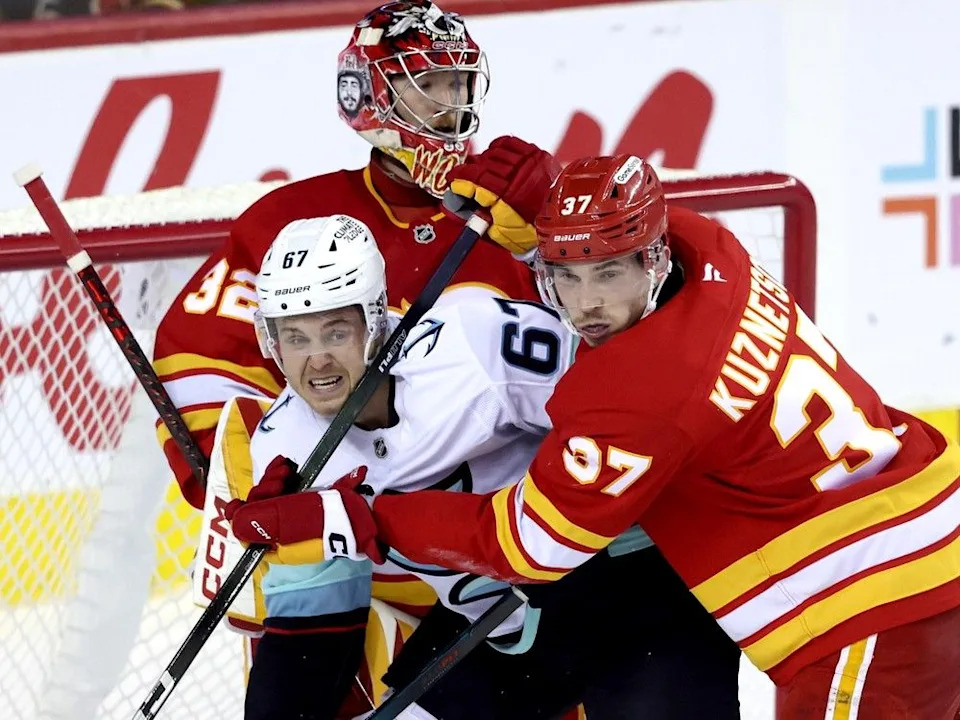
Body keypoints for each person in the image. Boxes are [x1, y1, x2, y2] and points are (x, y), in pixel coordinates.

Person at [291, 151, 960, 719]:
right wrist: (543, 227)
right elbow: (597, 244)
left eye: (608, 273)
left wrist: (364, 516)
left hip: (876, 612)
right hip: (935, 534)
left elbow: (527, 545)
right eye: (566, 276)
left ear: (652, 257)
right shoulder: (710, 247)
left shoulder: (640, 395)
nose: (585, 306)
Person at [218, 213, 742, 719]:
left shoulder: (476, 343)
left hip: (633, 593)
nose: (317, 361)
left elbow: (632, 411)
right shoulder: (285, 446)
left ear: (375, 320)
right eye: (295, 337)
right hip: (506, 631)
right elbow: (314, 631)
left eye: (336, 333)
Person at [152, 0, 543, 511]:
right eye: (427, 85)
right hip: (344, 535)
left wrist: (547, 242)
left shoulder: (511, 212)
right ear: (368, 94)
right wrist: (246, 477)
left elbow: (602, 344)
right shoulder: (291, 222)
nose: (451, 104)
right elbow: (200, 356)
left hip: (506, 533)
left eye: (458, 83)